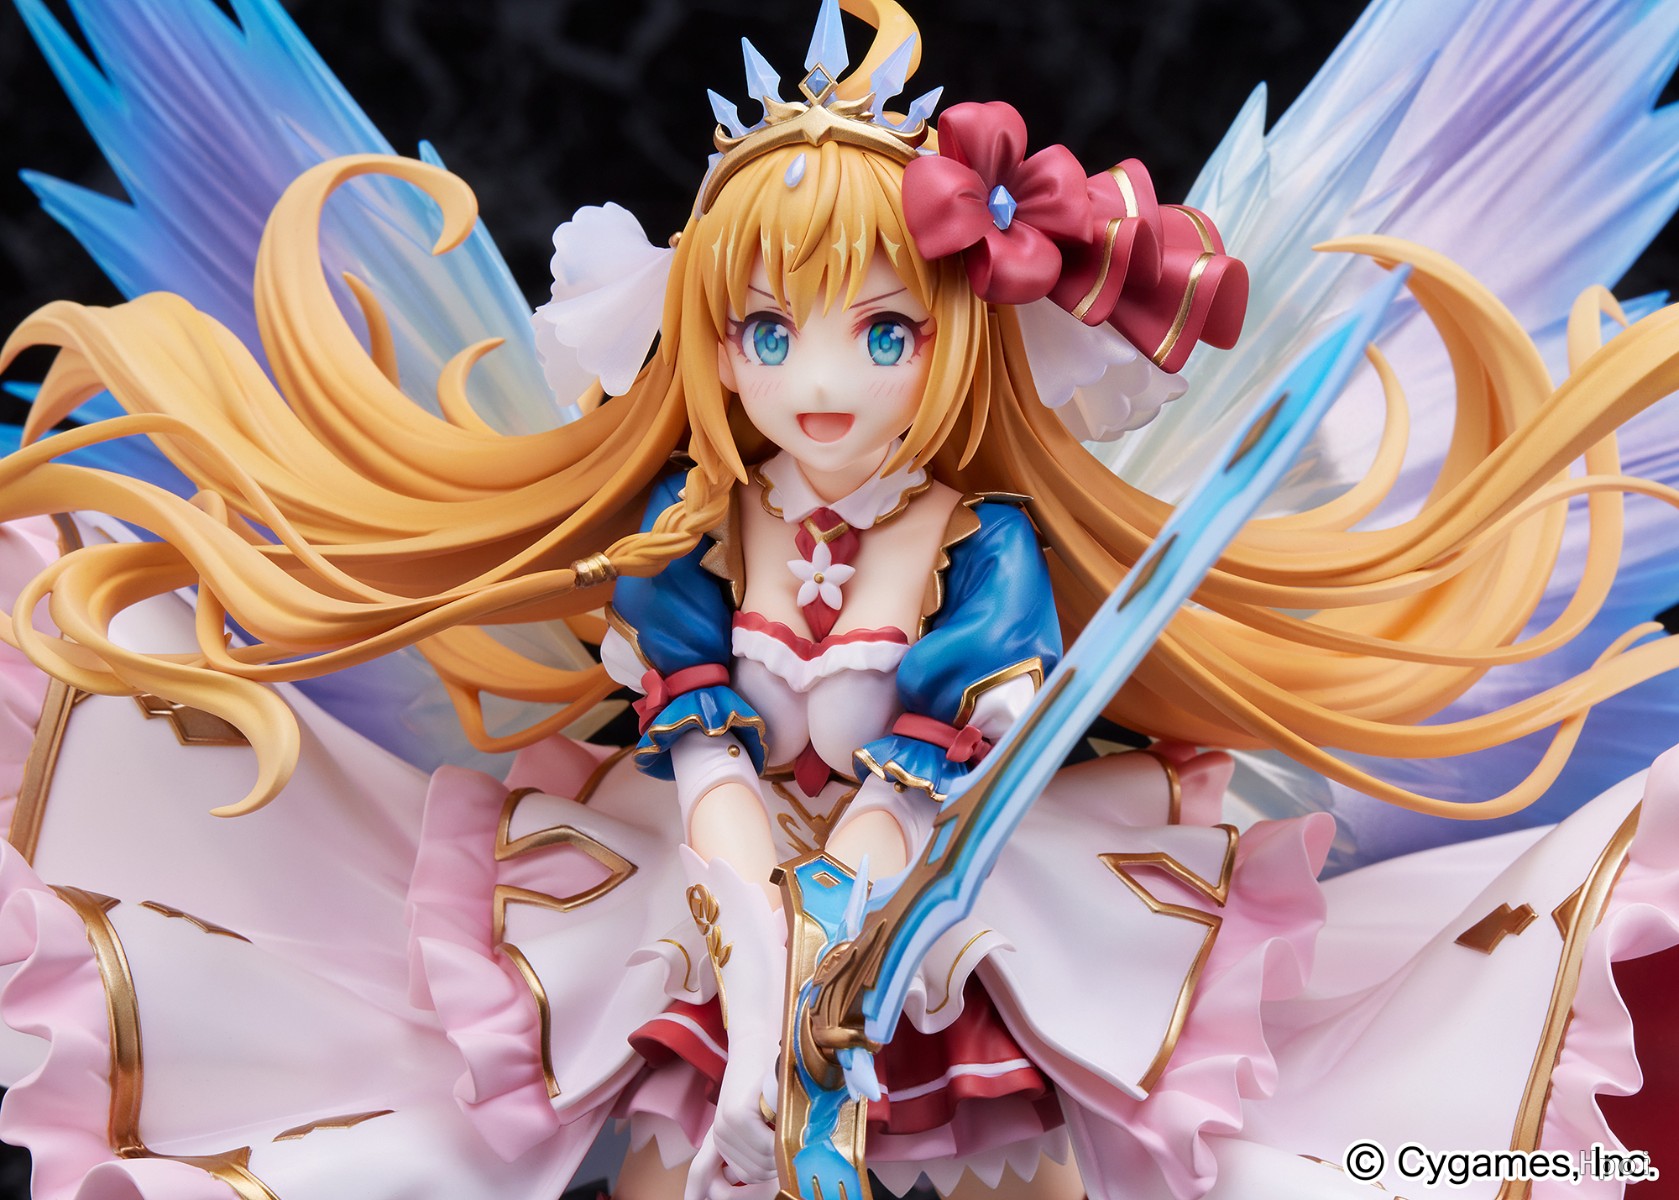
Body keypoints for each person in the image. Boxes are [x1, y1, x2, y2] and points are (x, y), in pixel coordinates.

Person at [2, 2, 1679, 1198]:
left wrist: (856, 921)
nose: (823, 382)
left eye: (882, 333)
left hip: (965, 898)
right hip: (700, 896)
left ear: (952, 344)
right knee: (653, 1137)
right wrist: (758, 1004)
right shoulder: (690, 540)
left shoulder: (983, 549)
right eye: (770, 331)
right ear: (708, 343)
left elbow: (918, 786)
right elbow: (713, 789)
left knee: (1081, 1134)